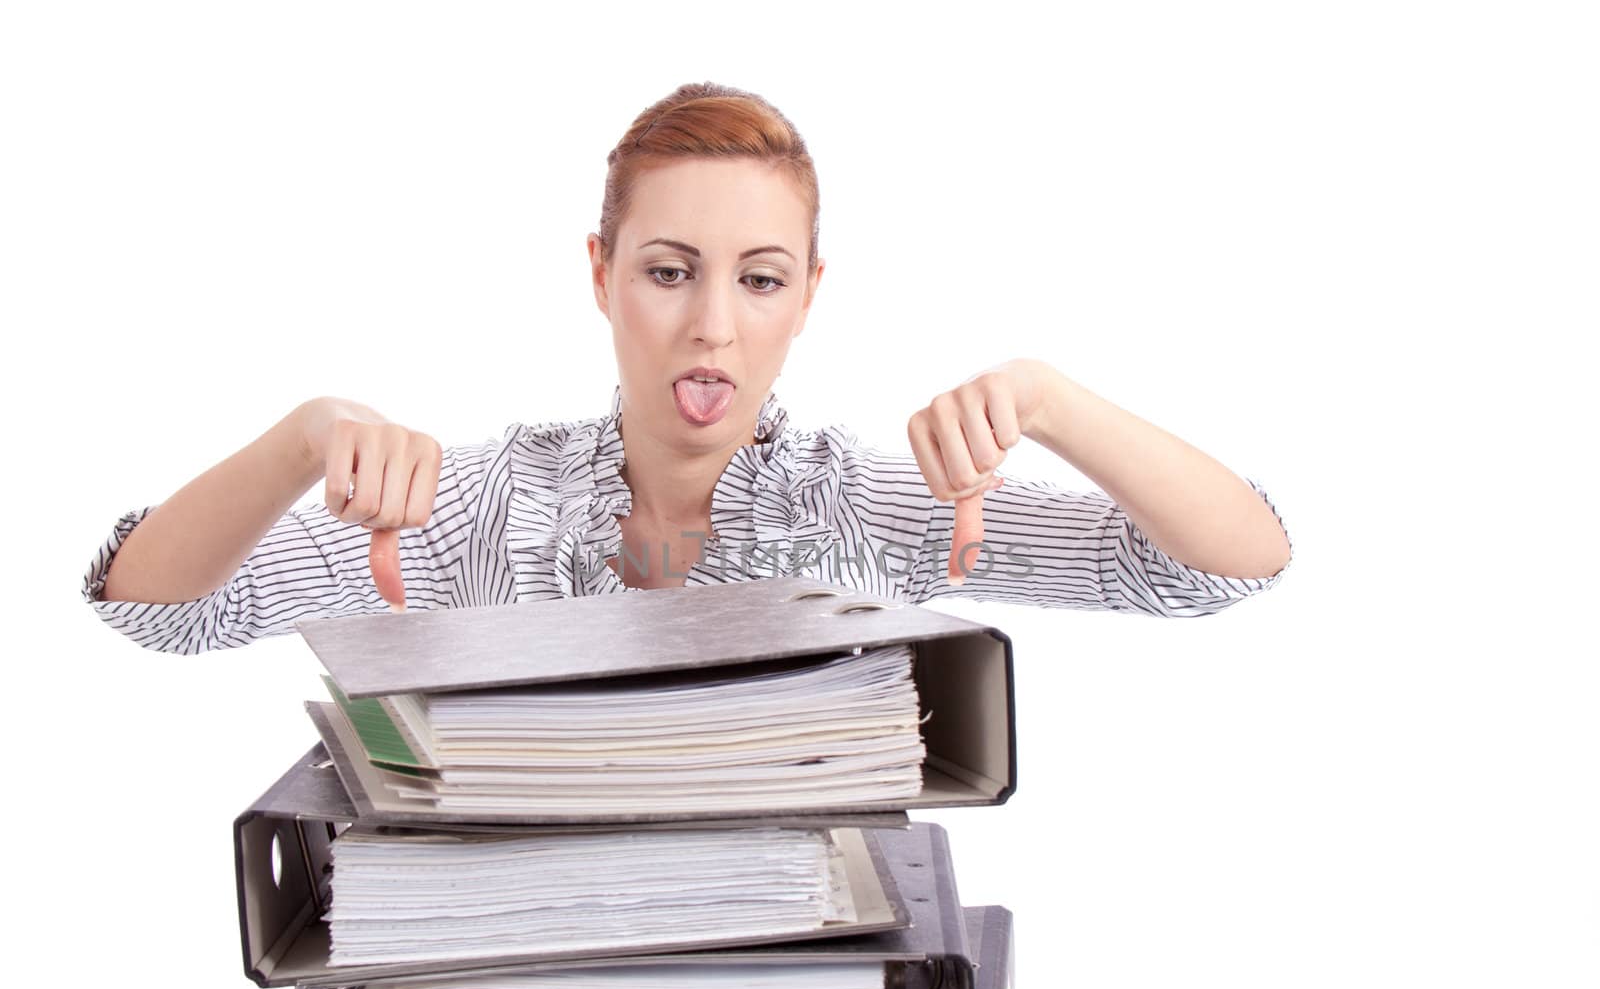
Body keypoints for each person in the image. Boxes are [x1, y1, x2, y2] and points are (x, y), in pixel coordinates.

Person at [80, 81, 1294, 655]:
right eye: (669, 271)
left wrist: (1049, 397)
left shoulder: (870, 510)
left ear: (807, 298)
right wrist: (305, 435)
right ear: (601, 273)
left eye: (759, 280)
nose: (713, 325)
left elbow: (1219, 568)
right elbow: (158, 606)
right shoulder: (474, 507)